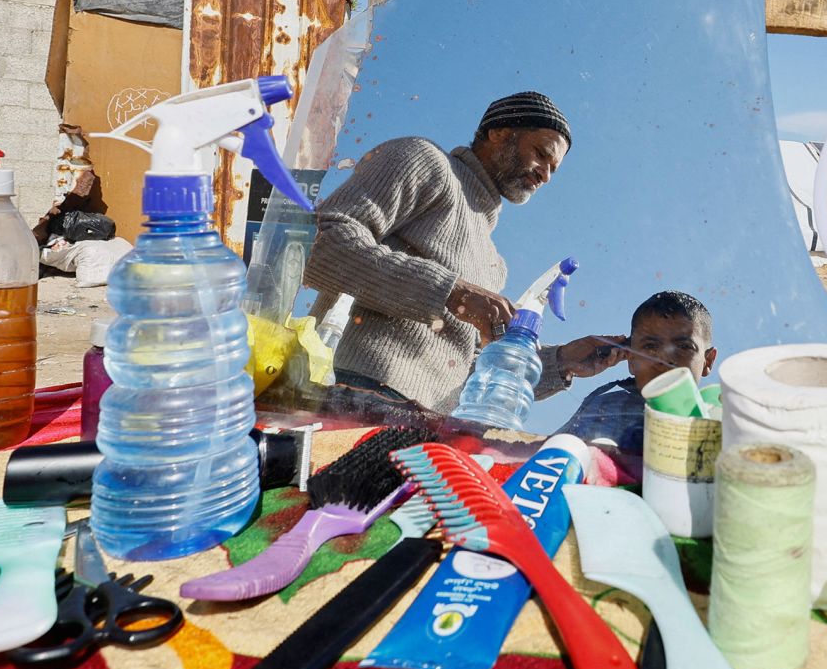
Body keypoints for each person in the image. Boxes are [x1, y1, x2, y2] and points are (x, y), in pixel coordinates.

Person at [305, 92, 627, 412]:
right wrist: (452, 293)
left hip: (431, 427)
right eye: (541, 154)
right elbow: (321, 243)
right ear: (498, 132)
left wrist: (561, 362)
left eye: (553, 169)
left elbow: (473, 370)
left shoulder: (493, 263)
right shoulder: (426, 162)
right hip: (349, 391)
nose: (545, 174)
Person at [557, 291, 716, 459]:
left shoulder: (715, 423)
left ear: (708, 361)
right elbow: (553, 456)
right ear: (631, 360)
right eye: (650, 346)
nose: (665, 357)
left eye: (684, 347)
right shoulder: (603, 409)